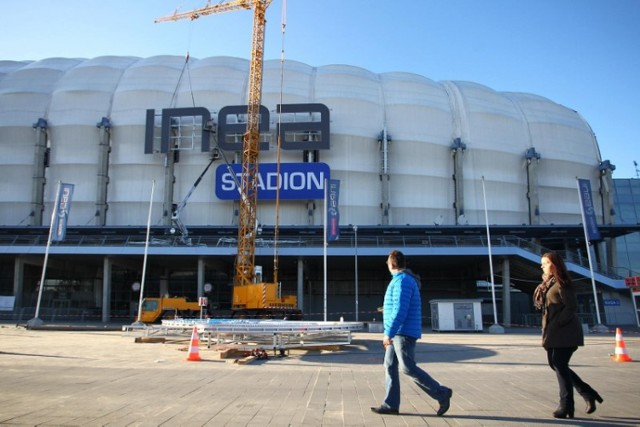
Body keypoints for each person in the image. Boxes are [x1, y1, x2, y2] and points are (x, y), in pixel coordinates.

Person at [371, 250, 453, 416]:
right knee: (390, 366)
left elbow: (401, 310)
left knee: (407, 368)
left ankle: (442, 393)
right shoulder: (400, 281)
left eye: (387, 262)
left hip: (403, 333)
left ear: (392, 264)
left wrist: (388, 333)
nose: (387, 265)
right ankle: (390, 405)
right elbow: (396, 307)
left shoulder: (403, 282)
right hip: (397, 333)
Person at [534, 251, 603, 419]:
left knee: (559, 364)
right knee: (556, 364)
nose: (542, 266)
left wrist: (557, 323)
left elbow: (571, 306)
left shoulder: (562, 283)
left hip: (565, 332)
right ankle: (587, 393)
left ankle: (566, 406)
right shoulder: (548, 284)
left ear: (554, 265)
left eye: (545, 263)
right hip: (553, 332)